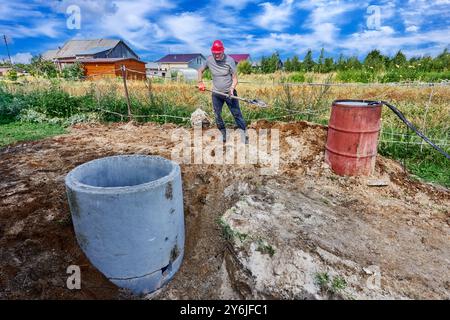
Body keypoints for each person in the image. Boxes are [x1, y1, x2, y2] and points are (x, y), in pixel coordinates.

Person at [198, 40, 247, 143]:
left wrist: (232, 88)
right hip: (216, 93)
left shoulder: (230, 60)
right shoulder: (209, 60)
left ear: (223, 51)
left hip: (229, 93)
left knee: (237, 114)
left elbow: (235, 79)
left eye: (218, 54)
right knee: (217, 114)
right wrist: (200, 82)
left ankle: (244, 135)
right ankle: (223, 134)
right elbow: (200, 70)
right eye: (214, 54)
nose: (216, 56)